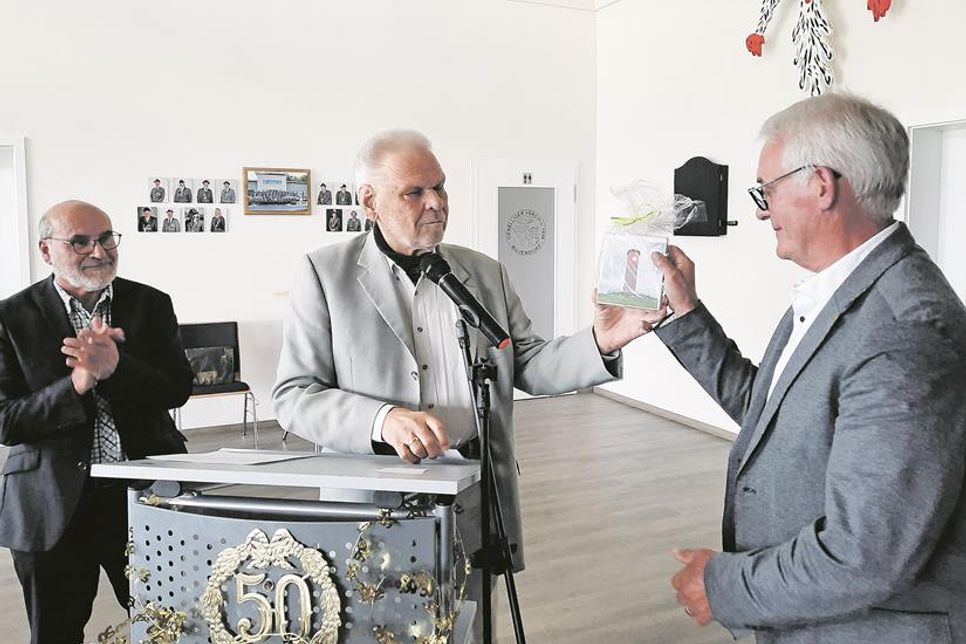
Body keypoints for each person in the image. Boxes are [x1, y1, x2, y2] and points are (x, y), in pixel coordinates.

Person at [272, 129, 661, 638]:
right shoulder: (325, 273)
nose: (435, 203)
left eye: (441, 187)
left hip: (475, 492)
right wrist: (382, 420)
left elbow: (528, 362)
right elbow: (295, 395)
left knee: (470, 622)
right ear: (369, 201)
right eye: (415, 192)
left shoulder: (484, 272)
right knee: (376, 626)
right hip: (374, 500)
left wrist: (602, 341)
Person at [653, 94, 966, 642]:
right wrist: (684, 315)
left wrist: (724, 584)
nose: (759, 210)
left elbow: (864, 554)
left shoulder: (904, 328)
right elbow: (769, 412)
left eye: (766, 190)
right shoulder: (842, 290)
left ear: (821, 184)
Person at [0, 200, 193, 644]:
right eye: (81, 241)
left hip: (143, 497)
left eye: (106, 237)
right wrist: (78, 383)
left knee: (173, 626)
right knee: (55, 633)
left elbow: (177, 388)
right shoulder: (10, 318)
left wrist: (117, 368)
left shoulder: (150, 303)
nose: (99, 251)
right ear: (46, 251)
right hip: (50, 505)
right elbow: (8, 421)